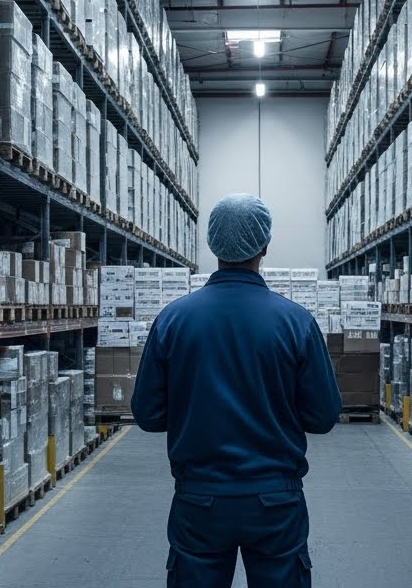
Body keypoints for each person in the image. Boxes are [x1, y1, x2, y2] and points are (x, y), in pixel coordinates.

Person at [131, 192, 342, 588]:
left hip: (199, 502)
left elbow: (148, 415)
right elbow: (323, 417)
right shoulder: (295, 322)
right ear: (264, 246)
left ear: (212, 245)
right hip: (275, 502)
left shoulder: (173, 320)